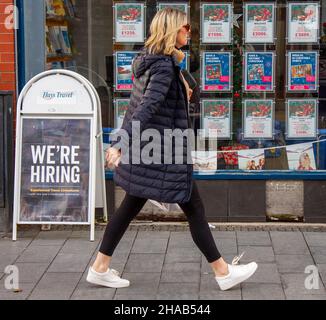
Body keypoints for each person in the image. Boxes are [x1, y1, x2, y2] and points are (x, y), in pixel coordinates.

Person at [87, 7, 257, 292]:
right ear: (172, 30)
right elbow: (146, 108)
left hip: (151, 149)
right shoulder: (164, 67)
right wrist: (120, 143)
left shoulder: (152, 61)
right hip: (164, 153)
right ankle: (223, 272)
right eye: (185, 28)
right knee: (193, 207)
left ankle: (100, 267)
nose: (189, 32)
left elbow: (135, 106)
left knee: (131, 206)